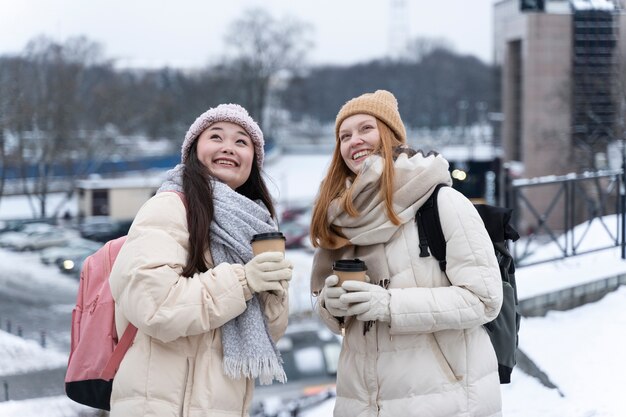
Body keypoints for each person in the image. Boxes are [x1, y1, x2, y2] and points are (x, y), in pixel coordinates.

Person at [309, 90, 504, 417]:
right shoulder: (343, 218)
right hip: (362, 403)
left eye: (365, 129)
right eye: (344, 135)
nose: (354, 140)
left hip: (446, 403)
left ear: (390, 136)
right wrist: (332, 304)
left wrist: (387, 304)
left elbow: (484, 299)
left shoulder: (441, 203)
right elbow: (341, 324)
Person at [109, 103, 293, 417]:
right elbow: (154, 306)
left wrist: (272, 291)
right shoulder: (168, 207)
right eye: (216, 137)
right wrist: (245, 281)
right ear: (195, 150)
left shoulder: (256, 225)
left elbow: (267, 332)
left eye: (241, 142)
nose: (228, 148)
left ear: (253, 160)